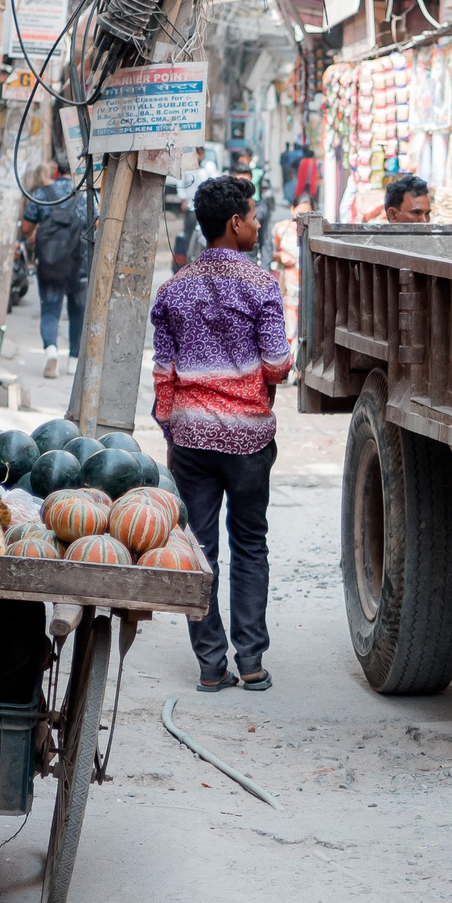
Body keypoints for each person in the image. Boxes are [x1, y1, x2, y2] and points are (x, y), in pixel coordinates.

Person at [150, 174, 292, 693]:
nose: (257, 225)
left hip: (190, 440)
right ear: (234, 225)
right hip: (250, 440)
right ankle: (251, 661)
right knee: (250, 543)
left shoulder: (173, 291)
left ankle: (212, 665)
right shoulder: (261, 286)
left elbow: (163, 373)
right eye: (253, 218)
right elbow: (278, 366)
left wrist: (172, 423)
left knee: (198, 545)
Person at [22, 163, 92, 380]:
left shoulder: (43, 194)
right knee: (78, 312)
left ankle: (51, 351)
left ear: (56, 172)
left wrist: (36, 237)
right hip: (79, 264)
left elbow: (26, 229)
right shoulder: (85, 196)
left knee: (50, 310)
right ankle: (73, 361)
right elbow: (97, 223)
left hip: (50, 263)